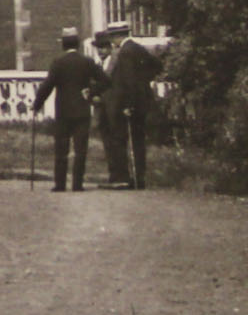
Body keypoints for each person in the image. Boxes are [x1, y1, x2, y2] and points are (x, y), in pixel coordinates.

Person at [33, 27, 109, 193]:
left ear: (64, 44)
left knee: (61, 148)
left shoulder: (58, 62)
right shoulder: (87, 62)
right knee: (80, 149)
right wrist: (92, 91)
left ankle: (60, 184)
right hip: (82, 111)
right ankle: (77, 184)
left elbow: (47, 86)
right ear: (78, 43)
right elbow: (105, 81)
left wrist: (37, 104)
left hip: (63, 112)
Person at [106, 34, 165, 189]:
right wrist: (144, 80)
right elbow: (157, 65)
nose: (112, 42)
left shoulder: (125, 52)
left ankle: (126, 178)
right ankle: (140, 176)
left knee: (123, 139)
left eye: (112, 38)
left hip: (130, 103)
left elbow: (129, 81)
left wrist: (129, 105)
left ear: (118, 37)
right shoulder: (138, 48)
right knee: (138, 140)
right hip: (143, 101)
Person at [92, 27, 131, 188]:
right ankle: (113, 176)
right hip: (102, 109)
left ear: (109, 47)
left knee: (118, 142)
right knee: (107, 143)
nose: (100, 51)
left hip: (116, 108)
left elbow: (122, 85)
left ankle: (123, 177)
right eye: (98, 48)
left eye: (103, 47)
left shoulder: (116, 63)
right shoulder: (98, 65)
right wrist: (94, 97)